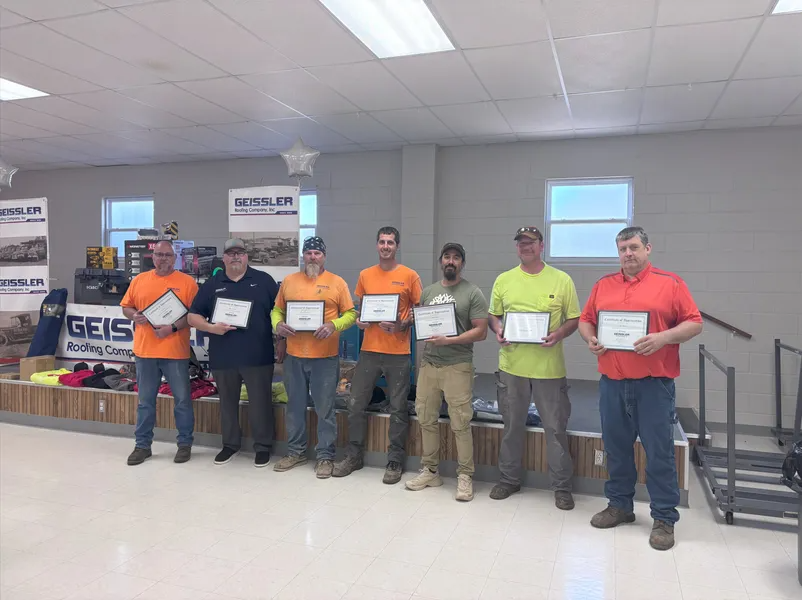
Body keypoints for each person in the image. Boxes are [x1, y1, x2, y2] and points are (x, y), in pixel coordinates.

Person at [578, 226, 702, 551]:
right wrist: (590, 337)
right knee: (616, 449)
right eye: (622, 249)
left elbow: (694, 322)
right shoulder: (603, 285)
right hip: (612, 384)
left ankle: (663, 517)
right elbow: (585, 319)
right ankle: (620, 505)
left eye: (633, 247)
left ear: (648, 248)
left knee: (659, 452)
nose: (628, 254)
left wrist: (662, 338)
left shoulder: (670, 283)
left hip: (654, 386)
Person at [487, 226, 581, 509]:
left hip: (549, 370)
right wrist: (498, 329)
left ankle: (562, 487)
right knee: (511, 426)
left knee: (555, 429)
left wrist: (559, 334)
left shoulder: (562, 280)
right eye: (521, 242)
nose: (525, 246)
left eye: (531, 242)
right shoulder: (504, 280)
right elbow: (494, 315)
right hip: (512, 367)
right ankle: (508, 480)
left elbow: (574, 319)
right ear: (516, 247)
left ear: (542, 245)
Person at [332, 227, 422, 484]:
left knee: (398, 409)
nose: (386, 246)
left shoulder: (410, 276)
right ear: (377, 245)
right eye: (382, 242)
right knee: (355, 404)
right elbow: (361, 311)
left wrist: (402, 324)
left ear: (397, 246)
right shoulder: (365, 275)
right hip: (369, 351)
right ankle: (354, 455)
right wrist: (360, 321)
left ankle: (394, 460)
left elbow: (419, 312)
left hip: (399, 352)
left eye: (390, 242)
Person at [188, 238, 284, 468]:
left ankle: (262, 447)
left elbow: (280, 311)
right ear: (224, 258)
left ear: (246, 256)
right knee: (227, 404)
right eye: (230, 253)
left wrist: (282, 340)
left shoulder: (264, 281)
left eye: (239, 253)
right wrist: (211, 328)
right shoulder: (213, 284)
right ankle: (230, 444)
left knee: (260, 404)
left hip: (258, 355)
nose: (235, 257)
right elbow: (193, 316)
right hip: (224, 356)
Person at [404, 242, 488, 501]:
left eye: (456, 258)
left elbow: (481, 331)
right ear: (441, 261)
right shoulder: (428, 292)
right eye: (447, 257)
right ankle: (430, 471)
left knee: (460, 422)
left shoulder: (472, 292)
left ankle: (465, 476)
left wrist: (449, 341)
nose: (451, 261)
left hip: (458, 365)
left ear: (462, 263)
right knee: (426, 419)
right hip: (429, 364)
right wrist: (409, 320)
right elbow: (420, 323)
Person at [270, 236, 357, 478]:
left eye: (317, 253)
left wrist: (333, 324)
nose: (312, 257)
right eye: (308, 253)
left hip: (325, 358)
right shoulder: (289, 281)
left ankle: (325, 457)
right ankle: (296, 452)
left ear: (324, 256)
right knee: (294, 407)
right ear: (303, 256)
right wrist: (278, 324)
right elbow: (277, 309)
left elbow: (350, 313)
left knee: (325, 409)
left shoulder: (337, 283)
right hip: (294, 356)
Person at [121, 240, 199, 466]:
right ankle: (142, 446)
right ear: (152, 257)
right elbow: (126, 306)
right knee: (145, 402)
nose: (163, 258)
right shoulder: (139, 280)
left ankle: (185, 444)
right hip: (145, 352)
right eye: (159, 254)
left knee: (183, 401)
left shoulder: (187, 283)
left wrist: (172, 328)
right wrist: (133, 315)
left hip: (176, 351)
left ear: (174, 258)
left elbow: (193, 316)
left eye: (167, 255)